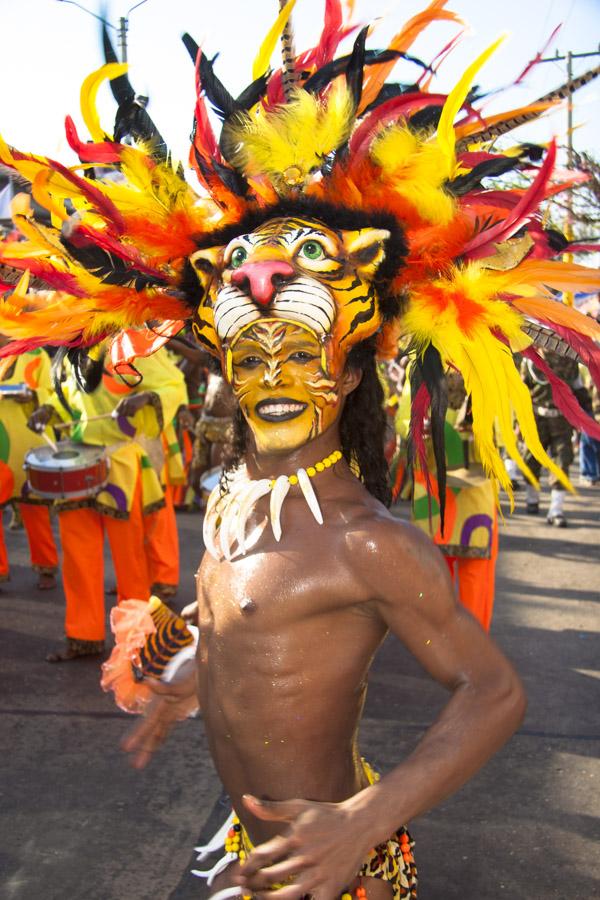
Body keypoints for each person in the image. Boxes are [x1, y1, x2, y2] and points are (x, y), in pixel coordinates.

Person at [1, 2, 600, 893]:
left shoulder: (365, 539)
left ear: (352, 375)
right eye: (253, 352)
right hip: (256, 857)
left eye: (301, 351)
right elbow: (240, 611)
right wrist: (187, 672)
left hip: (337, 871)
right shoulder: (236, 490)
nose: (273, 373)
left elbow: (496, 693)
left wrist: (365, 818)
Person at [28, 346, 186, 660]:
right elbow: (68, 401)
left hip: (121, 466)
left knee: (130, 562)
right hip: (76, 462)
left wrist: (146, 398)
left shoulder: (133, 350)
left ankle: (135, 640)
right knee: (77, 558)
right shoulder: (69, 355)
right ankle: (82, 635)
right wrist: (47, 409)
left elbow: (174, 384)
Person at [0, 341, 59, 590]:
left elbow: (52, 391)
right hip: (2, 446)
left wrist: (33, 395)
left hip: (29, 443)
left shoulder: (35, 355)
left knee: (35, 509)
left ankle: (46, 566)